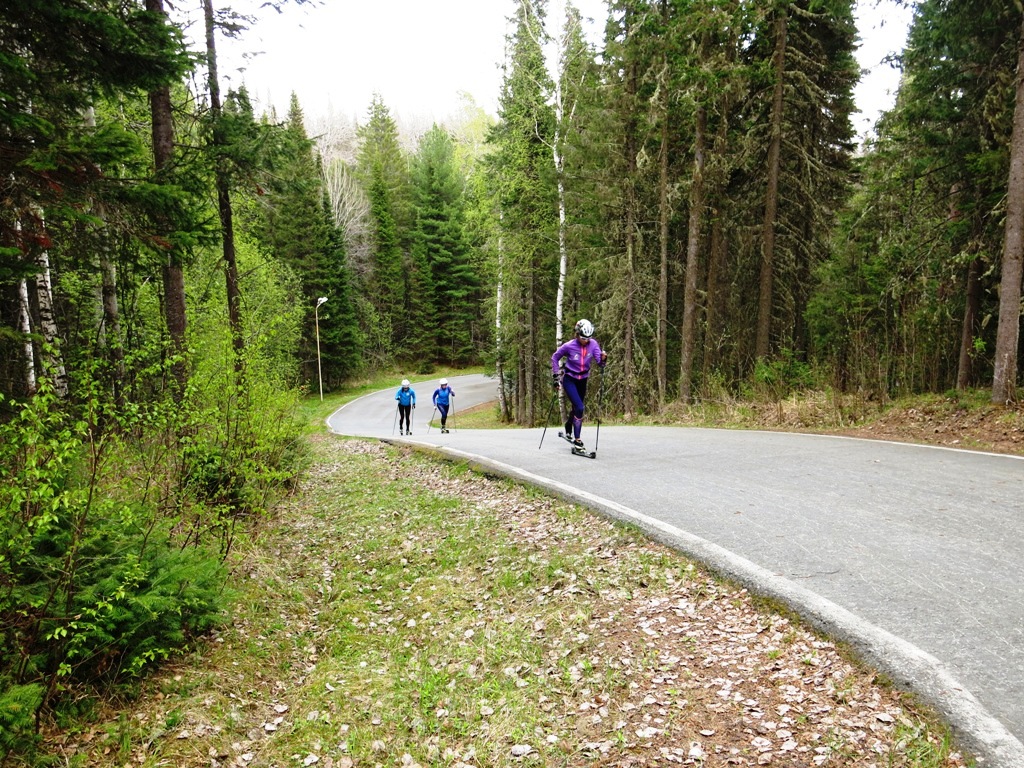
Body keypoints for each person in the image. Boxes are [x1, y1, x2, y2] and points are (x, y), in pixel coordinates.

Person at [551, 319, 607, 449]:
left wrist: (604, 358)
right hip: (570, 379)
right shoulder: (569, 345)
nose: (586, 340)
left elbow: (600, 363)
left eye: (588, 338)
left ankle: (568, 424)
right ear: (577, 334)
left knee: (577, 407)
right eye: (583, 337)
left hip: (583, 380)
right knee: (580, 407)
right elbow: (555, 357)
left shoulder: (593, 344)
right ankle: (577, 439)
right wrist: (555, 375)